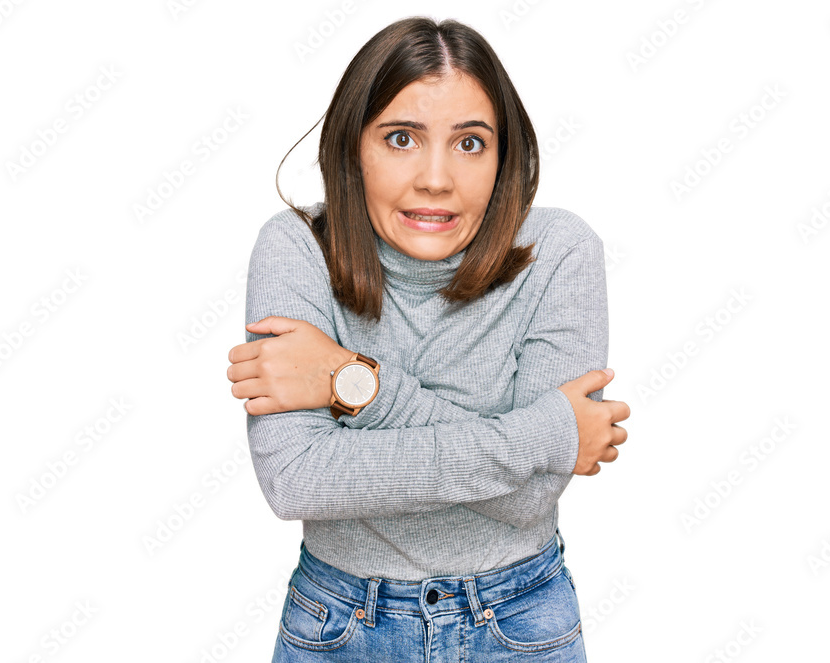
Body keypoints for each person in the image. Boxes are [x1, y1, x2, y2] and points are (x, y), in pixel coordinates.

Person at [226, 16, 630, 662]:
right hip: (338, 627)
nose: (436, 178)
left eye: (469, 143)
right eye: (401, 138)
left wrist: (353, 384)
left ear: (503, 157)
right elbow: (296, 479)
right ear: (353, 149)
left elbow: (530, 497)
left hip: (520, 622)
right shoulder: (296, 249)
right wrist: (548, 432)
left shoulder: (558, 251)